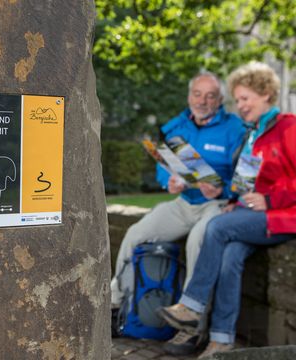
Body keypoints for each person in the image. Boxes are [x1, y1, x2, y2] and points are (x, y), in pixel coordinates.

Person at [158, 61, 296, 359]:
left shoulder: (289, 127)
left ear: (267, 94)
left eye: (246, 98)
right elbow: (246, 186)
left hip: (283, 216)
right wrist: (233, 201)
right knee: (230, 256)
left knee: (215, 228)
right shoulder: (252, 134)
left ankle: (191, 306)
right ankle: (221, 340)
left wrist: (270, 200)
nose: (241, 106)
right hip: (255, 215)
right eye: (238, 99)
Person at [111, 72, 245, 354]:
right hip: (183, 202)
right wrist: (168, 180)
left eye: (210, 95)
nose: (203, 101)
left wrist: (223, 191)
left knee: (200, 238)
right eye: (198, 94)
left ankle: (191, 327)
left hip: (216, 205)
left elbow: (245, 175)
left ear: (220, 100)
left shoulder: (235, 128)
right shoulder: (177, 125)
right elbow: (165, 164)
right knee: (136, 233)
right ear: (189, 96)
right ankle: (116, 303)